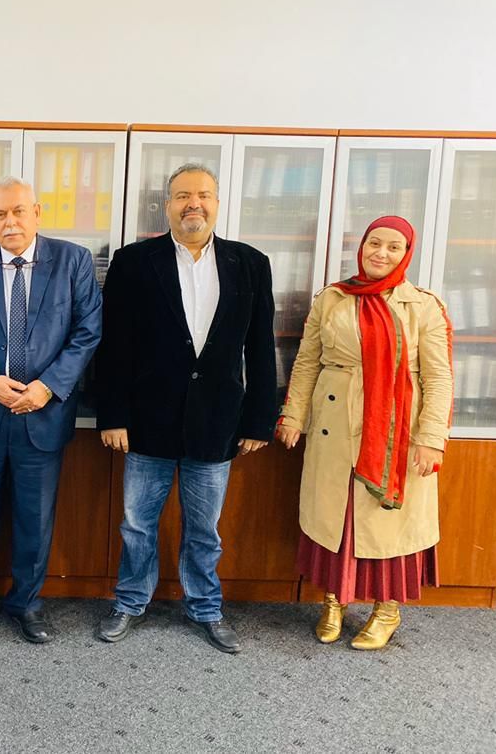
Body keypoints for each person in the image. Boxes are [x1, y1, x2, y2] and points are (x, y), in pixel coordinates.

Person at [94, 163, 277, 654]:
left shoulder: (250, 263)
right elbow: (114, 346)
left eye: (203, 195)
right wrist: (112, 415)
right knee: (137, 525)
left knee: (204, 530)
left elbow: (261, 349)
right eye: (182, 196)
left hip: (217, 422)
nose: (193, 203)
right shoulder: (133, 261)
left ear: (217, 202)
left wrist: (259, 420)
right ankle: (130, 602)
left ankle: (205, 607)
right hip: (145, 421)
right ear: (167, 205)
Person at [0, 176, 102, 644]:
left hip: (43, 414)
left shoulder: (73, 261)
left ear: (37, 213)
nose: (10, 222)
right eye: (0, 214)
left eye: (18, 211)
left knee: (35, 517)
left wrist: (48, 387)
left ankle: (27, 603)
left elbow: (88, 330)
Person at [275, 215, 453, 650]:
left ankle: (386, 610)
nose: (381, 253)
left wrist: (431, 438)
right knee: (336, 517)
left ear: (406, 254)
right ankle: (333, 601)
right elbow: (307, 361)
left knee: (386, 524)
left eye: (393, 247)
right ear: (361, 247)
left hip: (396, 433)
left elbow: (438, 377)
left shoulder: (422, 306)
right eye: (375, 243)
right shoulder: (333, 298)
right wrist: (293, 416)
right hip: (334, 425)